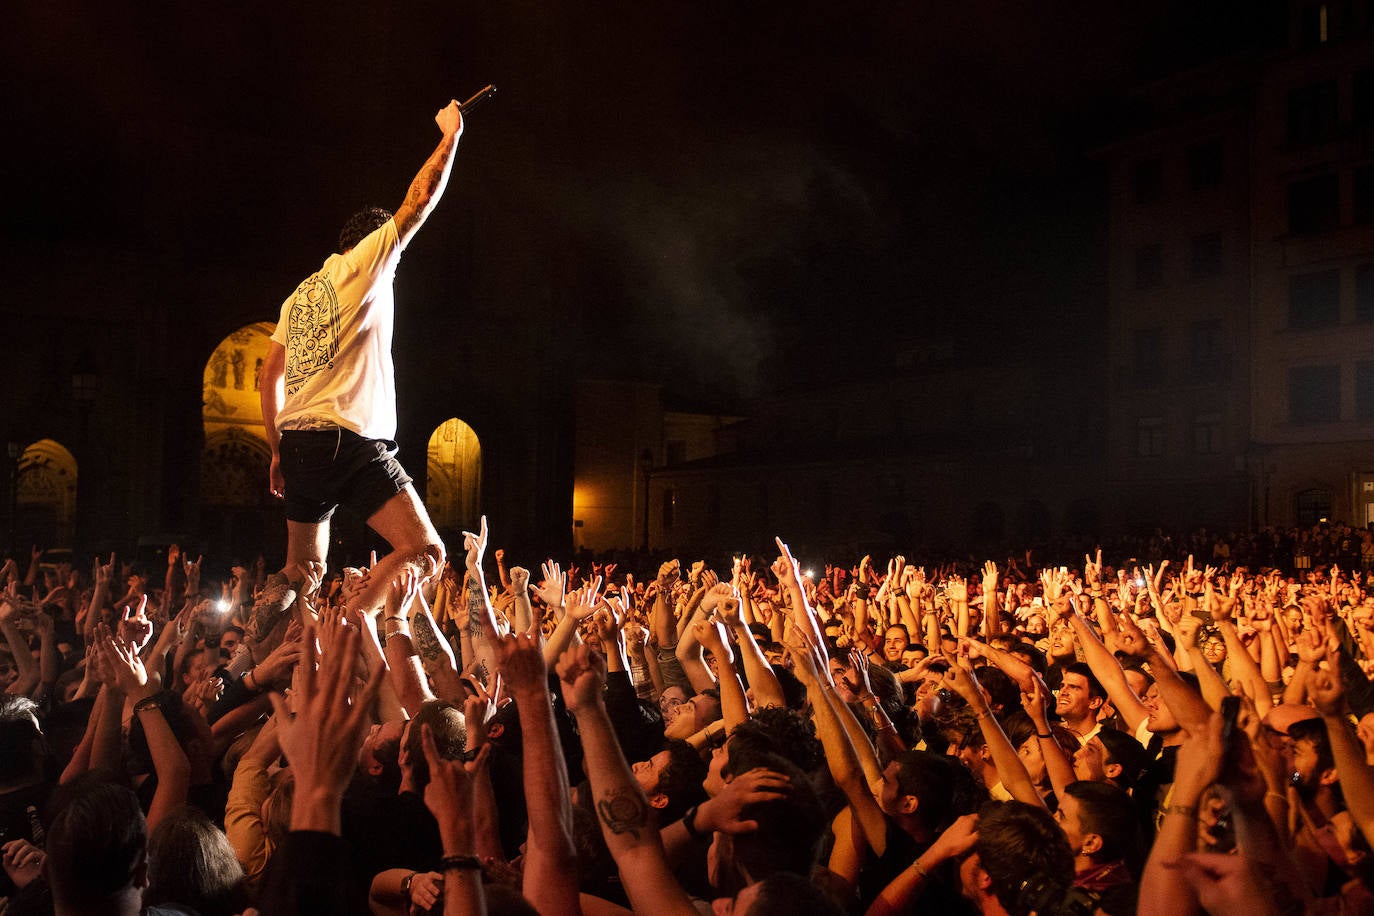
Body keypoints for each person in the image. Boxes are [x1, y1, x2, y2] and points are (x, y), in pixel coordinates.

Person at [259, 98, 467, 617]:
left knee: (301, 571)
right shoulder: (368, 264)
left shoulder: (300, 294)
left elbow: (269, 376)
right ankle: (354, 624)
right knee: (426, 550)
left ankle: (242, 668)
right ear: (376, 245)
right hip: (344, 439)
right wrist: (451, 137)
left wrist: (277, 451)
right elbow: (417, 201)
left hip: (298, 443)